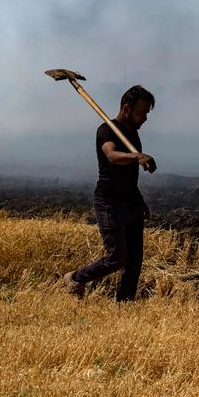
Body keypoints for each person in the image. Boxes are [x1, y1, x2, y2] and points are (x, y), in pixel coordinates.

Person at [62, 85, 157, 302]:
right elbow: (112, 156)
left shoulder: (133, 134)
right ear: (126, 108)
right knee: (117, 258)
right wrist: (137, 156)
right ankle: (75, 278)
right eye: (141, 113)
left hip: (131, 202)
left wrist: (140, 201)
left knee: (134, 261)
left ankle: (124, 305)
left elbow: (130, 176)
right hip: (110, 203)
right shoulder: (106, 130)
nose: (144, 118)